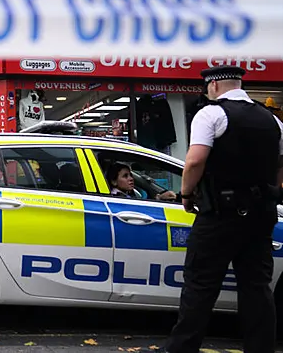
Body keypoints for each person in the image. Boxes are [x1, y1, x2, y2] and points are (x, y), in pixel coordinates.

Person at [166, 65, 283, 353]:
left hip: (219, 214)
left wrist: (186, 194)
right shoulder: (273, 120)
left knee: (200, 286)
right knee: (256, 287)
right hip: (260, 215)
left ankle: (182, 349)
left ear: (214, 86)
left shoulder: (211, 113)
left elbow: (195, 161)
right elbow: (280, 167)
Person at [106, 163, 176, 201]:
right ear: (114, 182)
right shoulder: (117, 198)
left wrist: (158, 198)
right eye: (125, 176)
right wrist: (158, 198)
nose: (131, 179)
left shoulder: (126, 194)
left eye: (131, 175)